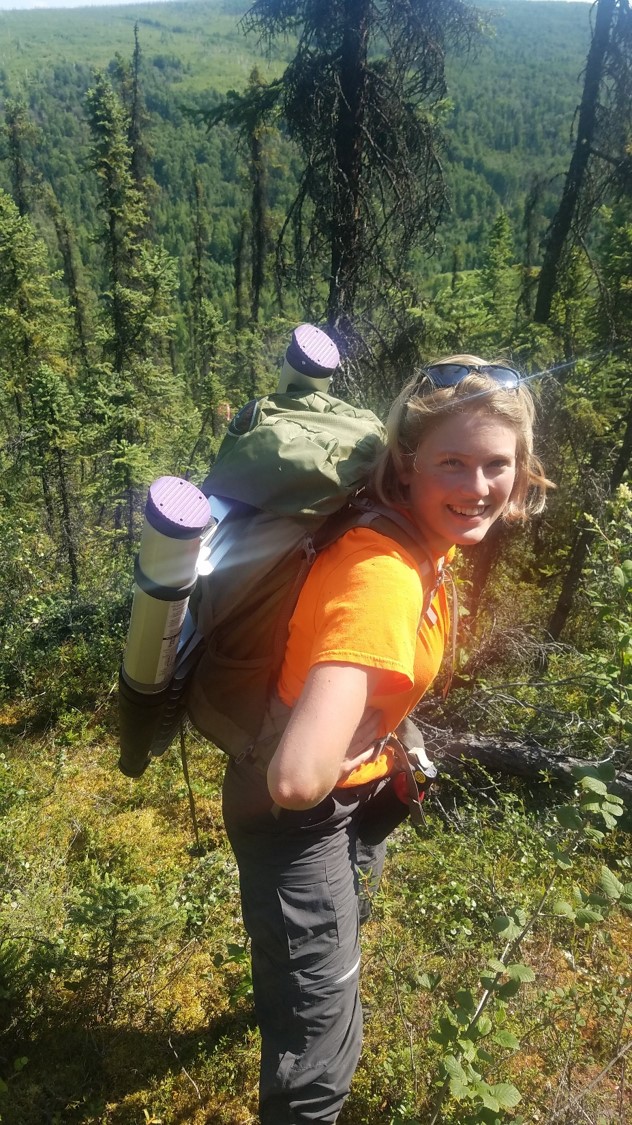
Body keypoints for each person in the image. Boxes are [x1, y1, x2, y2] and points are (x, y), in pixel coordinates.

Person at [221, 356, 552, 1125]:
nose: (477, 486)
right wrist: (344, 748)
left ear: (522, 468)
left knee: (312, 969)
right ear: (407, 465)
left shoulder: (421, 545)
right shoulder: (386, 575)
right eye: (453, 463)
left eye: (496, 464)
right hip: (299, 819)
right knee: (322, 1057)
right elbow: (298, 777)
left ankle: (289, 990)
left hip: (350, 799)